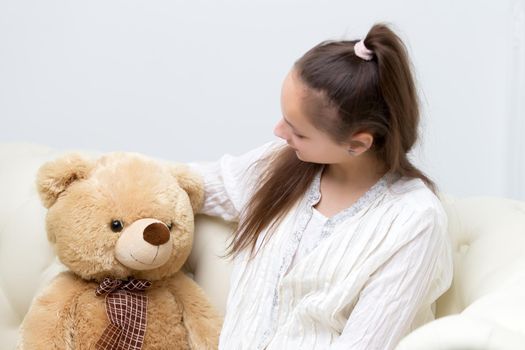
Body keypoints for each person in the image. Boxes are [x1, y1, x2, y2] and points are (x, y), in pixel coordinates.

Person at [187, 23, 453, 350]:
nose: (278, 131)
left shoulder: (414, 222)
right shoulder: (282, 164)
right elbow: (192, 184)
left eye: (298, 131)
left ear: (357, 144)